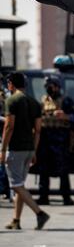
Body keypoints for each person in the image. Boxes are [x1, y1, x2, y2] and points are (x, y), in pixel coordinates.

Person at [3, 72, 48, 230]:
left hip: (15, 149)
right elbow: (38, 130)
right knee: (20, 185)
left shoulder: (12, 100)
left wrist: (2, 150)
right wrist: (34, 151)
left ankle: (39, 213)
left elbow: (9, 126)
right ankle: (16, 220)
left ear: (11, 84)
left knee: (15, 186)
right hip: (29, 149)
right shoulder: (34, 102)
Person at [36, 75, 74, 206]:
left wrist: (65, 116)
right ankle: (44, 196)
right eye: (47, 86)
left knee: (63, 170)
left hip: (60, 141)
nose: (49, 88)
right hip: (45, 141)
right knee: (43, 170)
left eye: (51, 86)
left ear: (57, 87)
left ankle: (66, 197)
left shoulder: (66, 101)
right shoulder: (43, 101)